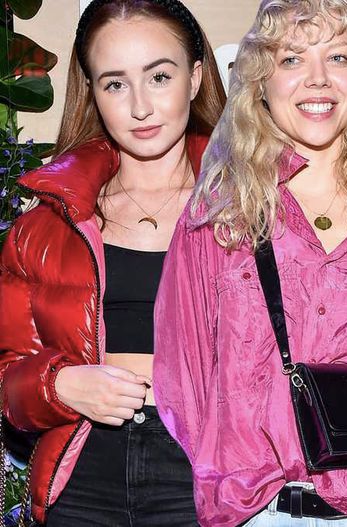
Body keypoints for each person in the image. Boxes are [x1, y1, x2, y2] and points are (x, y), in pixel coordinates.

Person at [152, 0, 347, 525]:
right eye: (291, 59)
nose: (318, 79)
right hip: (254, 513)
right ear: (260, 84)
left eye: (338, 57)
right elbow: (183, 374)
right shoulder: (219, 214)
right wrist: (230, 475)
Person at [0, 0, 224, 524]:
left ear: (194, 79)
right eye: (116, 84)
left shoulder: (251, 205)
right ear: (94, 93)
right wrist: (58, 385)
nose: (140, 107)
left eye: (159, 77)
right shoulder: (47, 224)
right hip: (82, 473)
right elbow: (9, 381)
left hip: (208, 471)